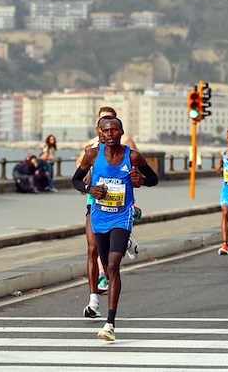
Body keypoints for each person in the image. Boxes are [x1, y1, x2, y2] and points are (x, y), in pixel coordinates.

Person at [72, 116, 159, 341]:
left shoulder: (133, 157)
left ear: (121, 132)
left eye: (114, 131)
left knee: (112, 265)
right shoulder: (92, 155)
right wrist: (90, 188)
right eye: (106, 131)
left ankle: (110, 322)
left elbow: (154, 179)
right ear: (101, 133)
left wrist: (140, 180)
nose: (110, 135)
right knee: (106, 262)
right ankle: (108, 316)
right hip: (99, 218)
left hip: (122, 217)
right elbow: (75, 181)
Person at [75, 106, 139, 317]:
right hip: (95, 202)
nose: (108, 130)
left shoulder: (127, 143)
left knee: (112, 261)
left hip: (120, 206)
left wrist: (137, 178)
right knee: (92, 248)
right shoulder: (90, 149)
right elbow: (78, 174)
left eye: (112, 124)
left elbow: (137, 169)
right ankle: (93, 301)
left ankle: (123, 239)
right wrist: (88, 184)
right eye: (104, 124)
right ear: (98, 127)